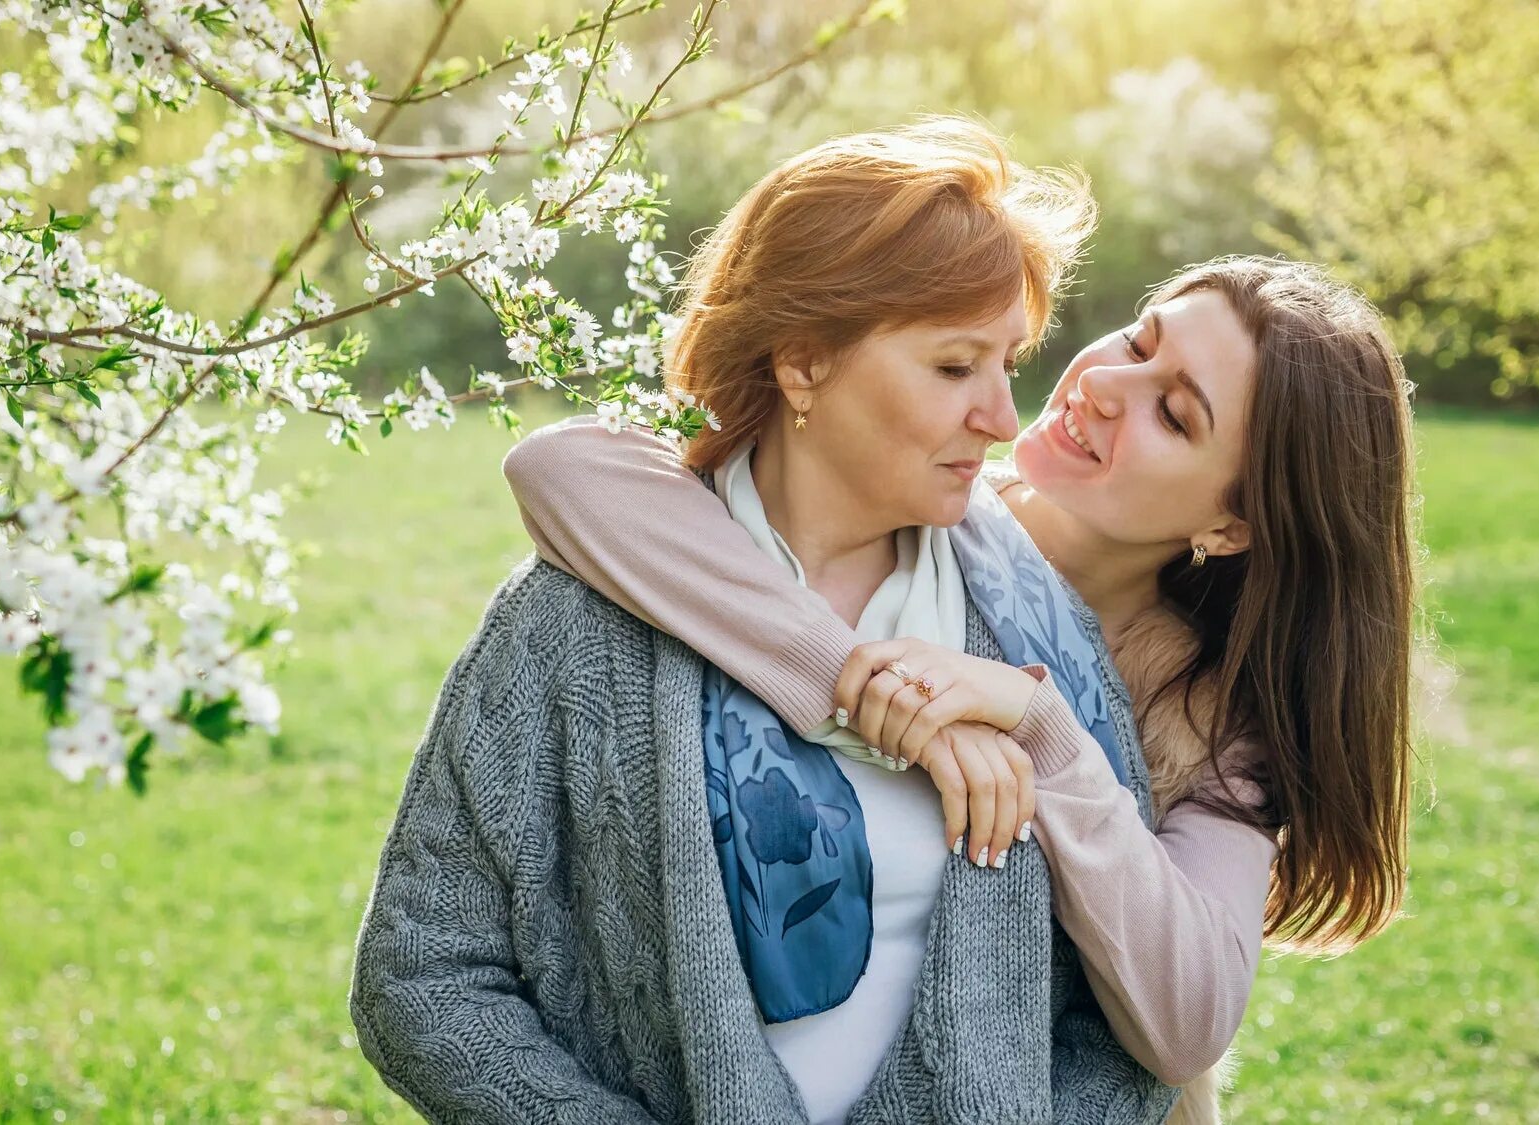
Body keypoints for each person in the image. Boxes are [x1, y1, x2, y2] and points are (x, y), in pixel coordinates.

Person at [351, 118, 1182, 1124]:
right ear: (801, 366)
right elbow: (422, 974)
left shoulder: (1035, 633)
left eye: (1008, 364)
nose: (1002, 419)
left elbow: (1124, 1025)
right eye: (954, 367)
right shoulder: (573, 622)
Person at [502, 256, 1420, 1123]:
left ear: (1230, 524)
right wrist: (869, 687)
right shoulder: (921, 500)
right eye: (1140, 342)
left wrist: (1041, 729)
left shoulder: (1207, 717)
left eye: (1174, 413)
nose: (1105, 384)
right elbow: (559, 467)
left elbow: (1188, 1020)